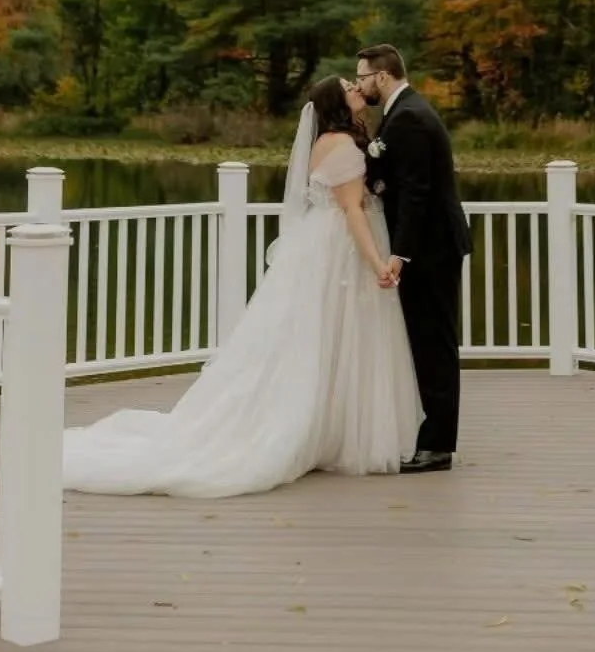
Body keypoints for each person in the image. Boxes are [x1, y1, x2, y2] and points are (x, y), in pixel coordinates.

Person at [61, 75, 421, 498]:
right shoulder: (340, 145)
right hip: (339, 253)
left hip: (323, 250)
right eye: (349, 87)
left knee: (321, 340)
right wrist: (378, 261)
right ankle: (303, 429)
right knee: (324, 338)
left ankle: (325, 429)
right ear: (335, 103)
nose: (358, 89)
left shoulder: (336, 139)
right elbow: (352, 211)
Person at [355, 44, 472, 473]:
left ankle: (438, 446)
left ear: (382, 77)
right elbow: (400, 182)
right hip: (429, 247)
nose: (361, 84)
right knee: (426, 343)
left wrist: (399, 255)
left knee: (434, 344)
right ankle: (433, 437)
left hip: (432, 250)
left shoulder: (411, 119)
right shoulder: (402, 113)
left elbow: (418, 193)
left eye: (363, 76)